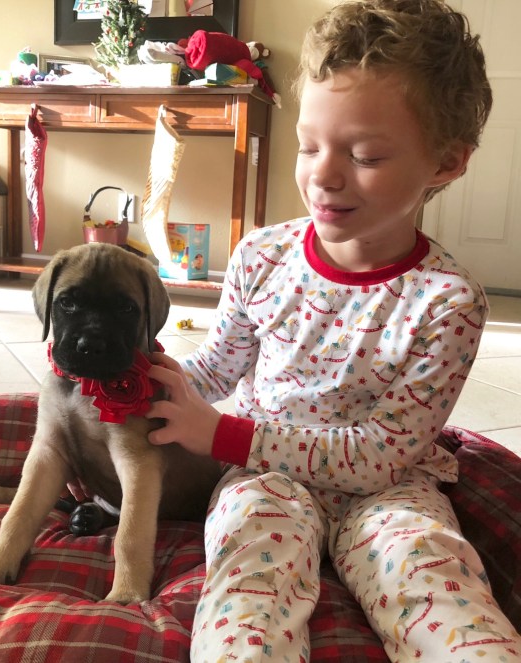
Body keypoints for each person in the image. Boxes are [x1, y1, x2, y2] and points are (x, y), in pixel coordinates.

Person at [144, 1, 521, 660]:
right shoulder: (261, 257)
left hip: (390, 492)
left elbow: (381, 453)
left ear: (446, 163)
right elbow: (215, 369)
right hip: (265, 479)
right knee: (245, 595)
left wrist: (222, 434)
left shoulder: (449, 302)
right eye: (309, 146)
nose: (323, 174)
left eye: (365, 155)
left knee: (437, 586)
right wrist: (145, 372)